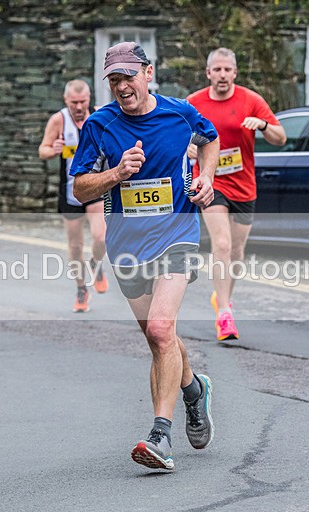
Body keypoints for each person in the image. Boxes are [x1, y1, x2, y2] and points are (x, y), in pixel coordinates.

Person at [71, 42, 220, 472]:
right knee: (160, 341)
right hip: (128, 246)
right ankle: (195, 392)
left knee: (160, 328)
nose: (122, 87)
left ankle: (160, 436)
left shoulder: (179, 113)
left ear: (148, 73)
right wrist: (117, 173)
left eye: (128, 76)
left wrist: (206, 178)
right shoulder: (100, 125)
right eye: (114, 80)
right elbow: (80, 187)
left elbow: (209, 140)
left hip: (177, 234)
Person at [187, 47, 287, 341]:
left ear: (235, 72)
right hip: (209, 182)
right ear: (208, 73)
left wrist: (264, 125)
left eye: (227, 70)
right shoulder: (194, 103)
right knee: (221, 243)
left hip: (243, 185)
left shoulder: (251, 100)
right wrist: (187, 146)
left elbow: (281, 138)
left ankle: (223, 299)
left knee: (237, 252)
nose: (222, 75)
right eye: (216, 70)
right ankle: (224, 315)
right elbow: (173, 133)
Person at [39, 79, 108, 313]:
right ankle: (81, 289)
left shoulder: (99, 116)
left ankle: (96, 265)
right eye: (74, 102)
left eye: (83, 101)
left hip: (94, 186)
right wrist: (54, 150)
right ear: (66, 100)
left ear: (89, 99)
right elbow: (43, 150)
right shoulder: (59, 120)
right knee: (75, 245)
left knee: (101, 238)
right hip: (69, 191)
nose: (79, 107)